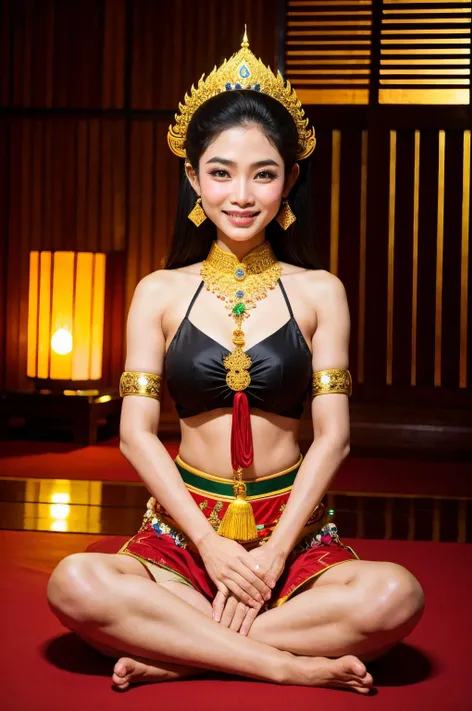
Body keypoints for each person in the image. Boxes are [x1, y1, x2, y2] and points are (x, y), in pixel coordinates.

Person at [46, 29, 424, 693]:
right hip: (184, 534)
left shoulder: (319, 291)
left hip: (295, 535)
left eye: (264, 173)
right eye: (221, 172)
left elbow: (333, 435)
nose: (241, 194)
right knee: (74, 581)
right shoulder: (158, 293)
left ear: (291, 180)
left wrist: (274, 553)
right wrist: (214, 548)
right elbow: (135, 432)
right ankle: (278, 661)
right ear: (193, 177)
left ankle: (178, 651)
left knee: (395, 594)